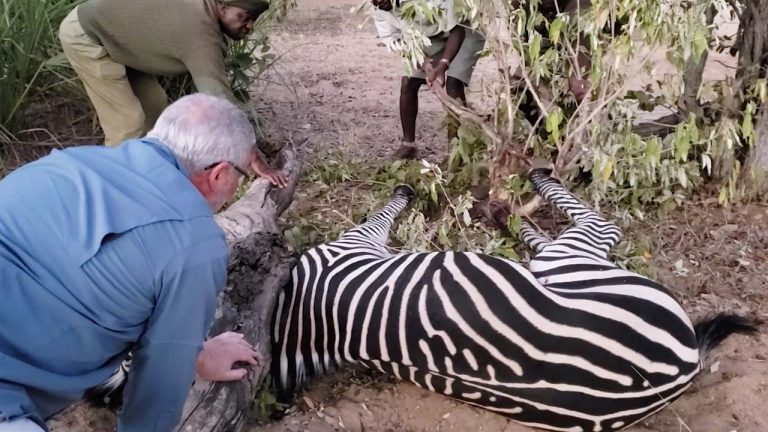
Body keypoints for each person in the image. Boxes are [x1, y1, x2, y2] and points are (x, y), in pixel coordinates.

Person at [0, 94, 275, 432]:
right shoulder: (196, 243)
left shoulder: (68, 162)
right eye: (241, 174)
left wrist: (194, 351)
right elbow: (159, 388)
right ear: (219, 175)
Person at [58, 0, 287, 187]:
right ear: (223, 6)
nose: (249, 26)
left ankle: (152, 178)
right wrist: (252, 154)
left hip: (119, 38)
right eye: (244, 17)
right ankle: (112, 190)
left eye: (253, 20)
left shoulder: (203, 11)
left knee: (156, 108)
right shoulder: (200, 33)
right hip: (87, 34)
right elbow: (218, 100)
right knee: (128, 123)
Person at [371, 0, 486, 160]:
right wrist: (424, 64)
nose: (379, 4)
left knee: (453, 84)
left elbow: (457, 30)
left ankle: (455, 152)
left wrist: (443, 65)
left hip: (464, 30)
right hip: (428, 36)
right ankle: (408, 145)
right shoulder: (378, 7)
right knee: (409, 83)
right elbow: (394, 39)